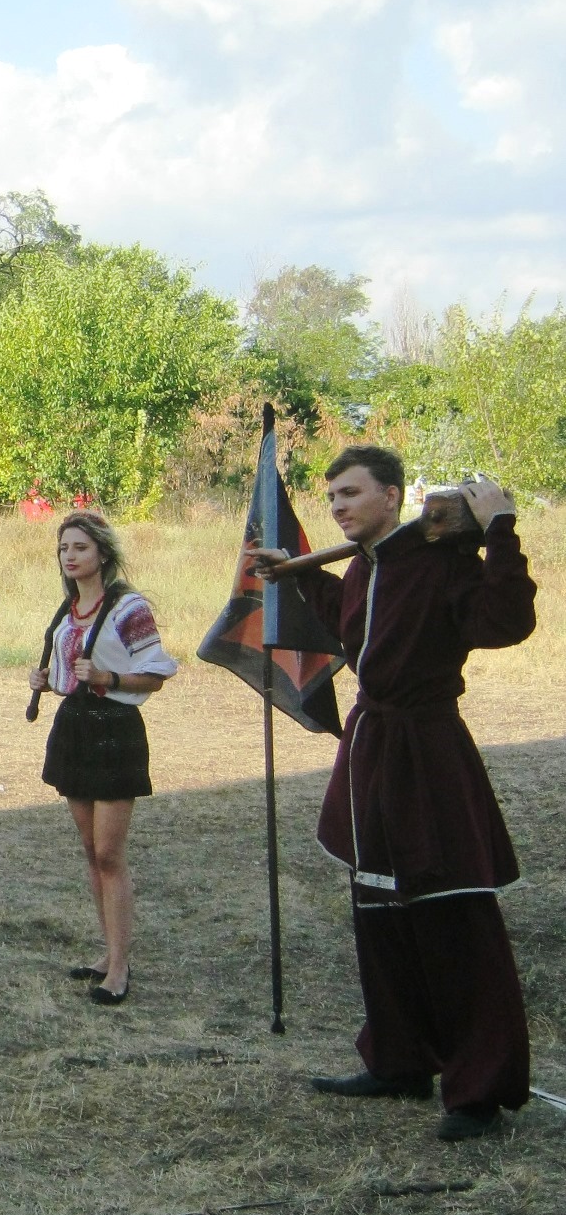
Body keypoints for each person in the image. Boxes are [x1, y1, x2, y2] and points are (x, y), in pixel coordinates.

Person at [254, 449, 537, 1142]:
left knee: (450, 914)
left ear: (391, 495)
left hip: (427, 750)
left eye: (351, 493)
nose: (339, 507)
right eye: (331, 498)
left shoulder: (438, 559)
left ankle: (479, 1090)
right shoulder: (362, 567)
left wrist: (500, 529)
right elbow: (355, 631)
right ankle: (399, 1059)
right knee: (377, 906)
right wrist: (287, 582)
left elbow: (505, 620)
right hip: (372, 747)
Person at [26, 513, 178, 1005]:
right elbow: (71, 678)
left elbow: (155, 675)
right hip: (75, 728)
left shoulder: (128, 607)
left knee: (110, 854)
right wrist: (46, 682)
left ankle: (119, 967)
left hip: (114, 731)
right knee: (92, 852)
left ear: (103, 555)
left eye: (80, 548)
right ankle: (108, 953)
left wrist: (108, 679)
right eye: (64, 549)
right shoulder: (69, 610)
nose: (70, 557)